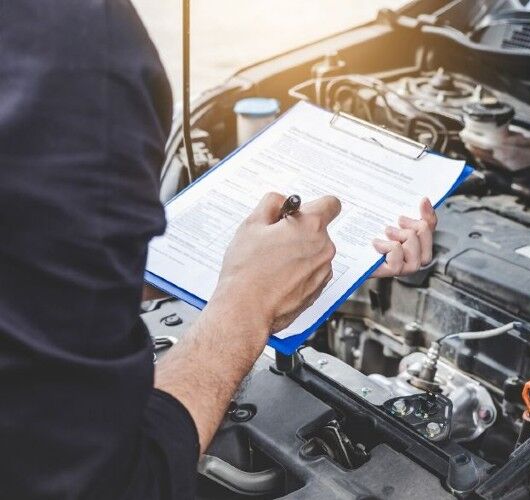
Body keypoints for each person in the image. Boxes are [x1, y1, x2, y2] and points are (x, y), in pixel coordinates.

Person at [0, 1, 437, 498]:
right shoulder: (68, 50)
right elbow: (100, 482)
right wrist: (248, 299)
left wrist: (317, 261)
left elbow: (30, 273)